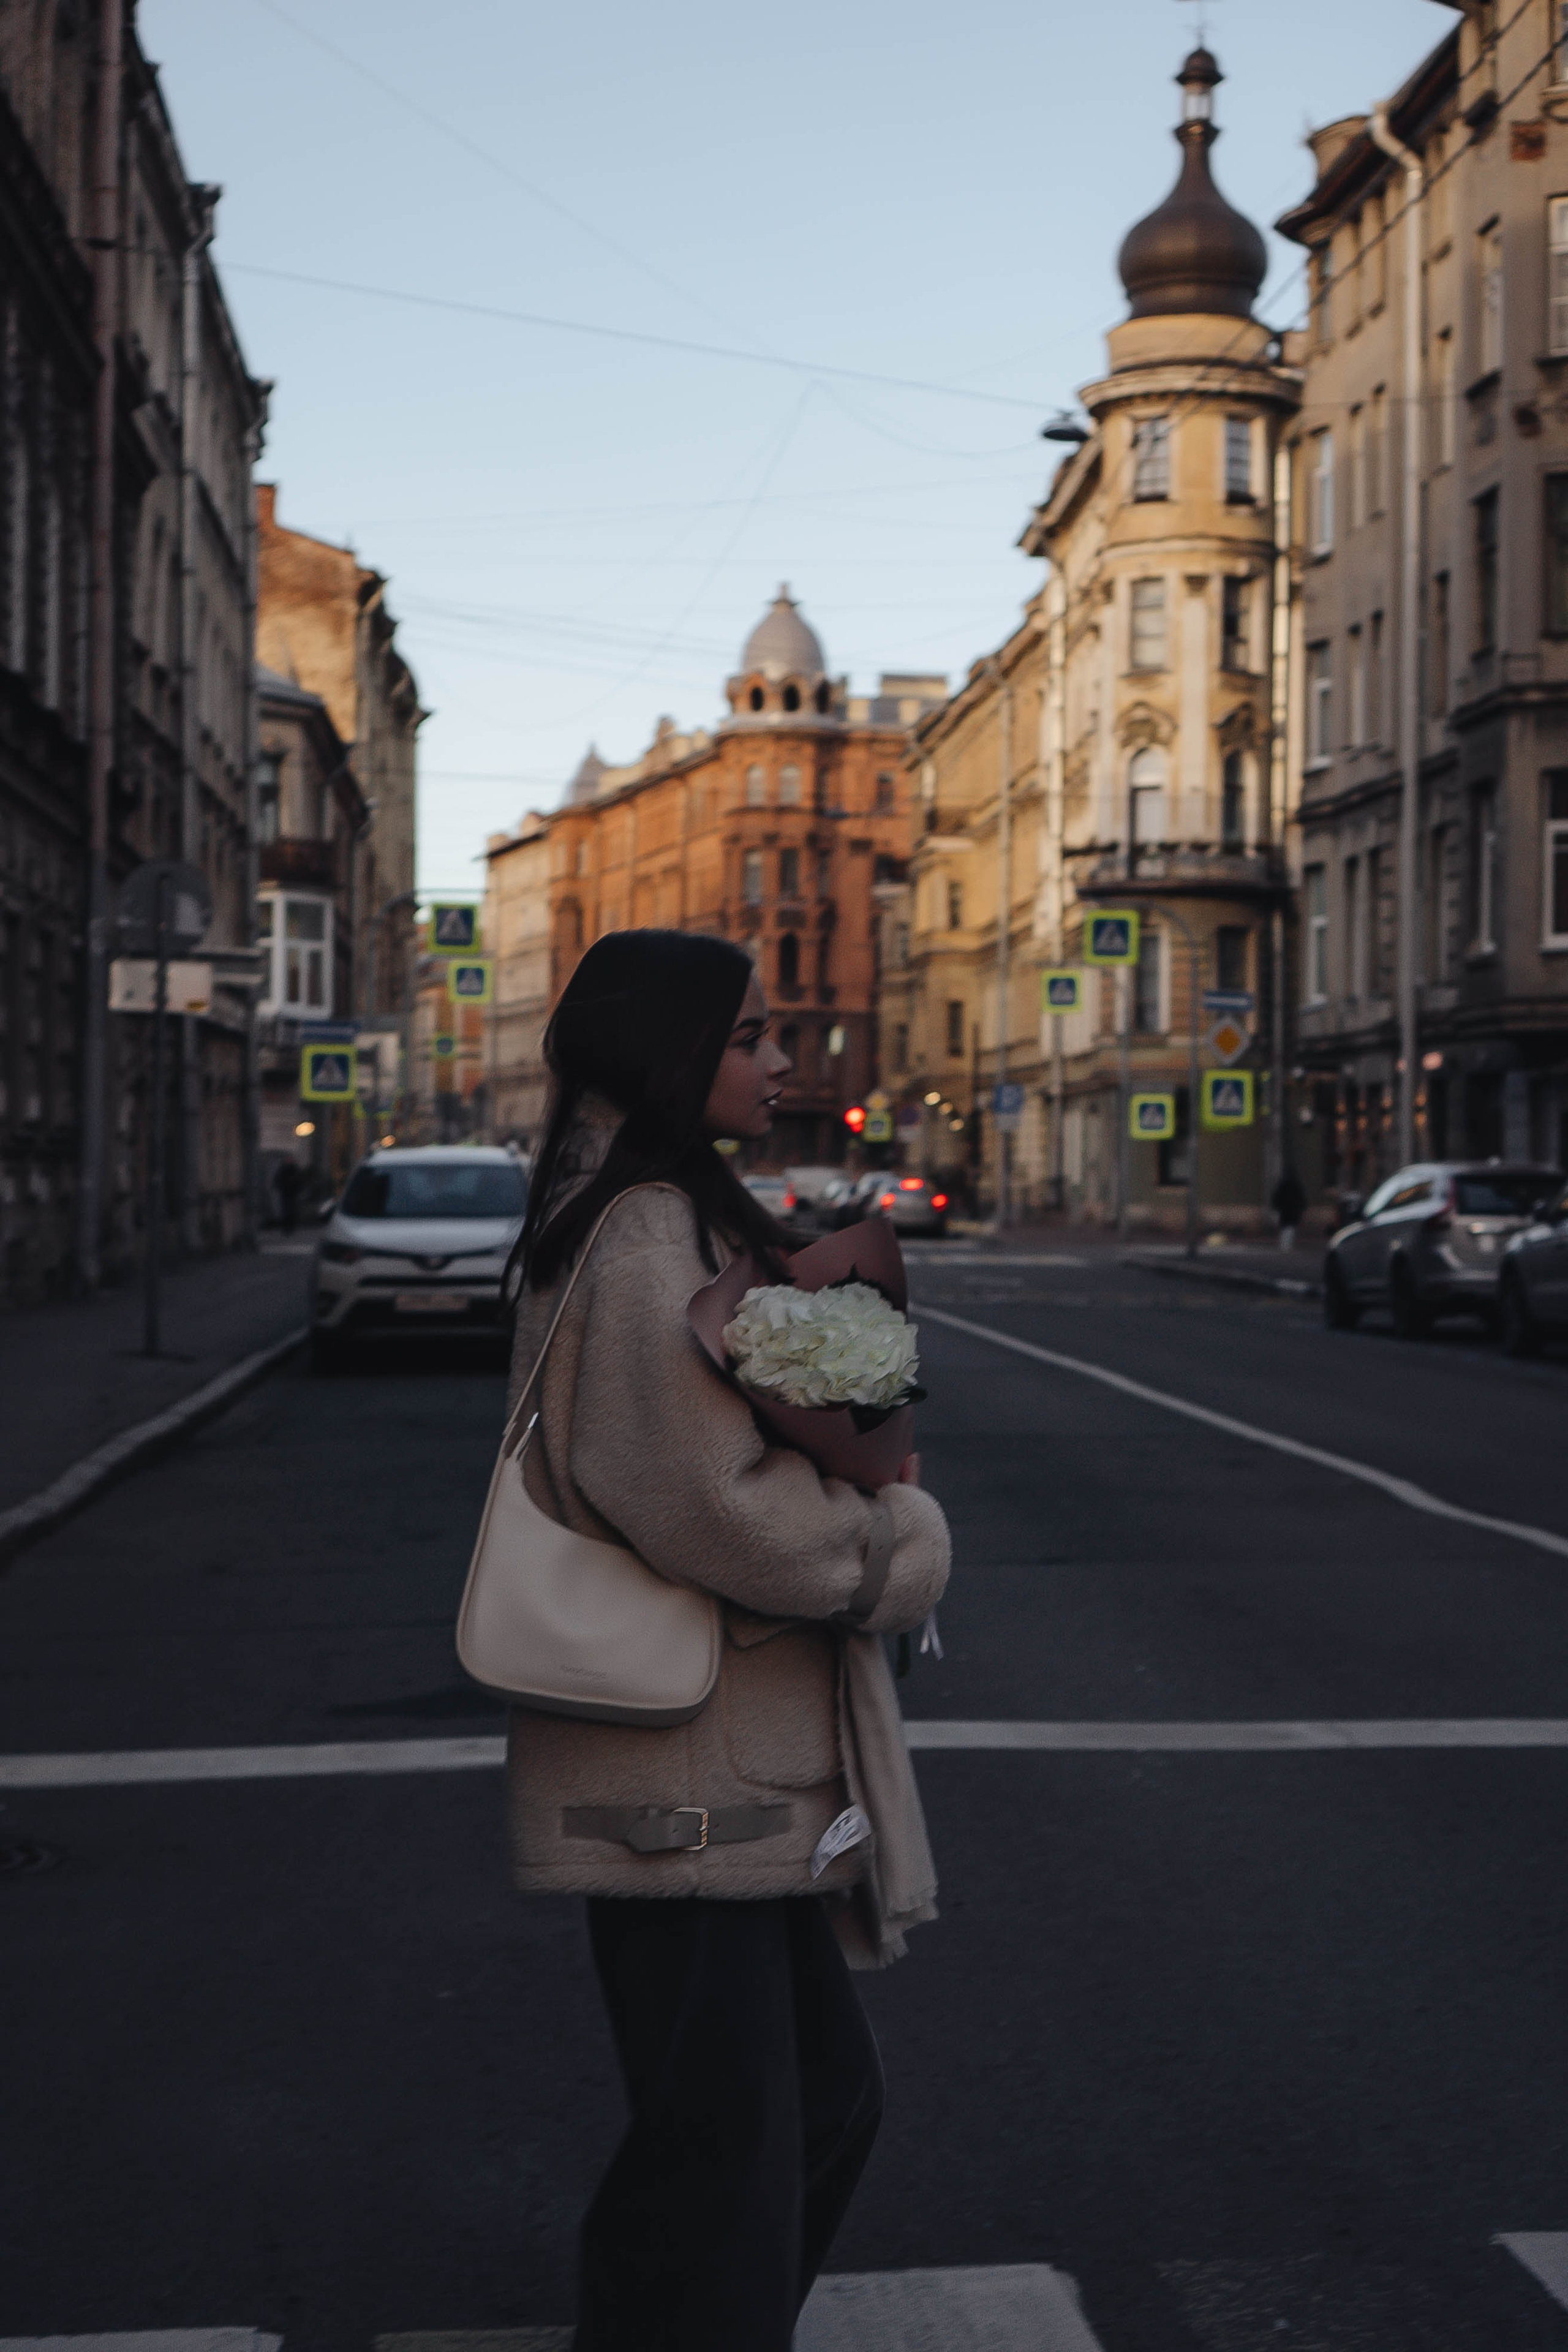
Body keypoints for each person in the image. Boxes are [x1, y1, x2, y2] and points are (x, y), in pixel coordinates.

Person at [502, 929, 950, 2352]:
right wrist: (886, 1543)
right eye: (751, 1035)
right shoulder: (639, 1233)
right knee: (740, 2138)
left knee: (791, 2112)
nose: (780, 1059)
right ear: (669, 1049)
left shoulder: (669, 1215)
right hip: (680, 1777)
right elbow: (706, 1507)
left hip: (722, 1765)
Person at [1272, 1164, 1307, 1251]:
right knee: (1291, 1228)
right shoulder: (1296, 1185)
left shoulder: (1282, 1185)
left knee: (1285, 1227)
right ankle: (1287, 1245)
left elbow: (1277, 1197)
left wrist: (1276, 1206)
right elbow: (1301, 1197)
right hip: (1293, 1209)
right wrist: (1302, 1206)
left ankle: (1284, 1245)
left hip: (1284, 1210)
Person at [271, 1155, 303, 1234]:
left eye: (289, 1159)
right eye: (287, 1159)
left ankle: (291, 1227)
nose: (288, 1161)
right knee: (286, 1211)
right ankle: (286, 1228)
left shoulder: (294, 1169)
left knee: (292, 1210)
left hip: (292, 1193)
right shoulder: (283, 1169)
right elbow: (277, 1180)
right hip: (285, 1193)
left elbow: (299, 1180)